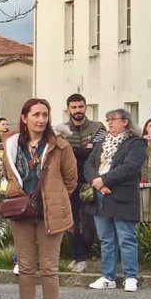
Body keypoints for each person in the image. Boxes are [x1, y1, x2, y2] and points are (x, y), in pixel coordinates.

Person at [2, 99, 78, 299]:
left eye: (45, 114)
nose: (41, 119)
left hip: (50, 212)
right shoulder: (12, 144)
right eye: (35, 114)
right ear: (24, 117)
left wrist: (55, 198)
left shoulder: (60, 146)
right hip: (21, 211)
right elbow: (10, 174)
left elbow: (71, 180)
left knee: (49, 268)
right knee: (25, 267)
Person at [86, 109, 148, 293]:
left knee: (126, 237)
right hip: (100, 195)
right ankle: (108, 276)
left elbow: (131, 167)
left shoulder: (136, 143)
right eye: (108, 119)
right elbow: (88, 165)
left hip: (122, 196)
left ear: (126, 122)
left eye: (113, 119)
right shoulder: (102, 142)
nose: (109, 123)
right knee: (106, 239)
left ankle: (130, 276)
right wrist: (98, 184)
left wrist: (105, 180)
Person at [54, 93, 104, 274]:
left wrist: (74, 150)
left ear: (85, 107)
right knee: (70, 222)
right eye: (74, 107)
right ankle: (79, 257)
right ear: (68, 109)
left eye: (80, 107)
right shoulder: (60, 130)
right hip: (67, 182)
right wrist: (82, 150)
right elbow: (61, 154)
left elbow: (98, 152)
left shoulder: (98, 128)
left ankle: (83, 253)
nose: (77, 111)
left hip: (90, 181)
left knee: (90, 224)